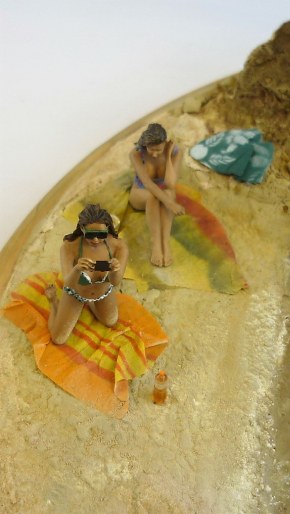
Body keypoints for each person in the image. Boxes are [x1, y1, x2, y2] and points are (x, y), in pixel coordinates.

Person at [45, 204, 130, 399]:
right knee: (58, 339)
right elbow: (67, 282)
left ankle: (91, 304)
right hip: (75, 292)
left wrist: (115, 269)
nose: (95, 240)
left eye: (101, 234)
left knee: (111, 321)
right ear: (82, 228)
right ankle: (53, 302)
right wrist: (77, 269)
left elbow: (115, 282)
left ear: (108, 229)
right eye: (91, 234)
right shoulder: (69, 246)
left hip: (102, 291)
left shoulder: (118, 246)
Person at [129, 123, 186, 267]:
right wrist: (169, 203)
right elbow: (148, 184)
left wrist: (168, 156)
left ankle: (165, 244)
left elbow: (170, 183)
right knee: (153, 196)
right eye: (151, 149)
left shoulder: (175, 151)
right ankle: (156, 244)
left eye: (158, 150)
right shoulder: (136, 153)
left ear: (165, 144)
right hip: (141, 192)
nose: (154, 154)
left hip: (164, 191)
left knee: (168, 192)